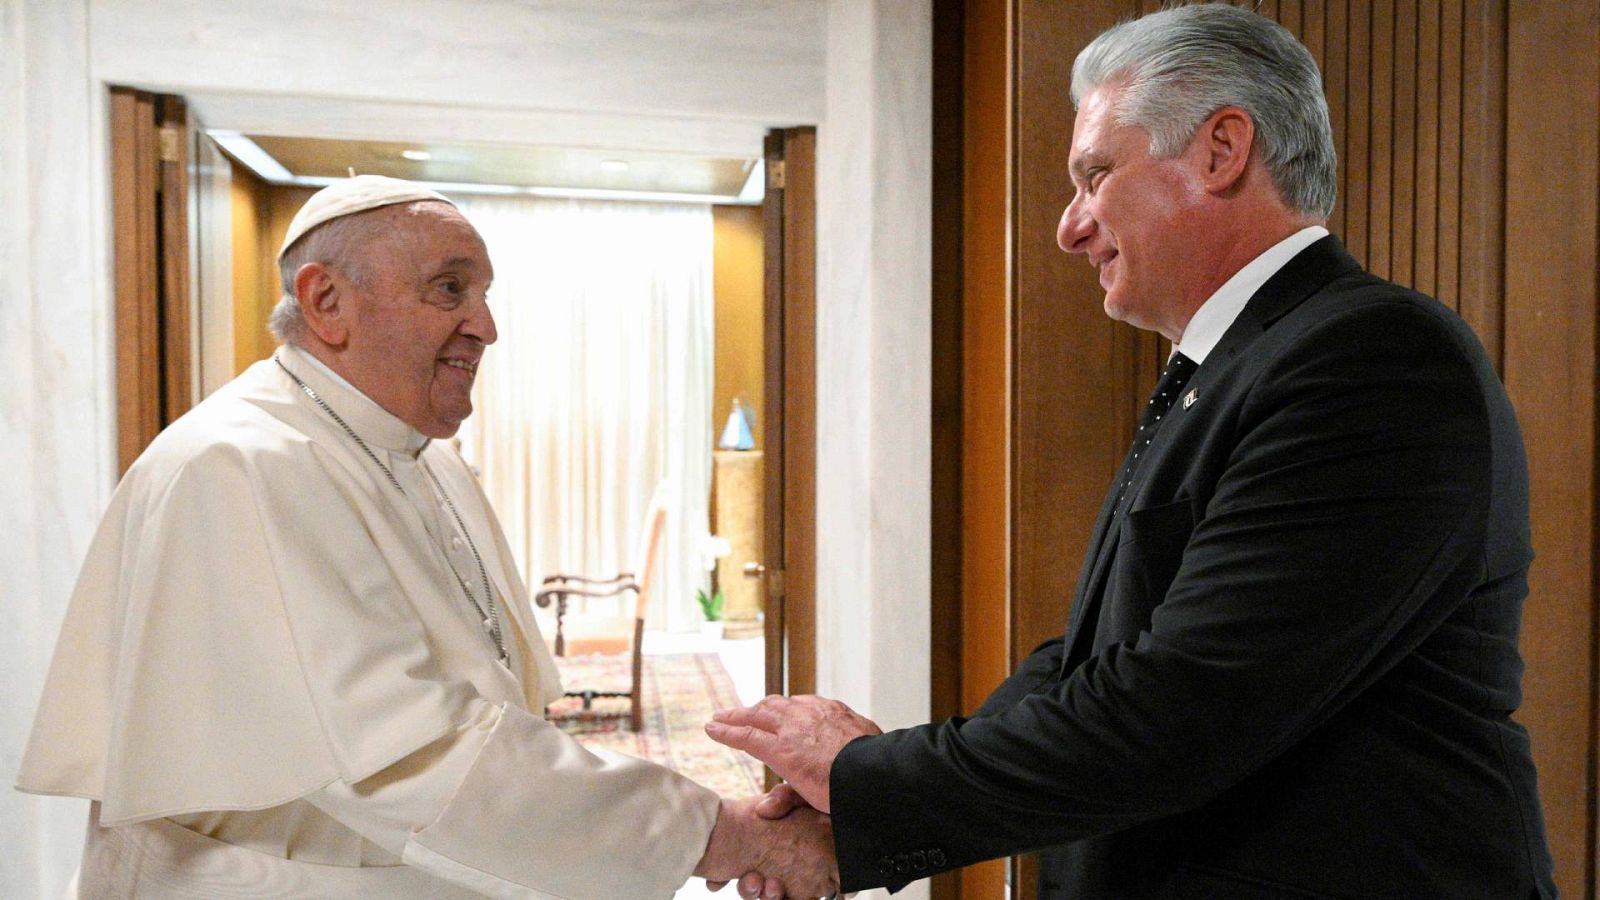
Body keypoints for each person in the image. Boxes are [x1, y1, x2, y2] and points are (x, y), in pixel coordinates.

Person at [707, 6, 1557, 898]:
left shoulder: (1370, 358)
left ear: (1221, 150)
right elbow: (1093, 657)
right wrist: (870, 799)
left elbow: (1186, 705)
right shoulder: (1247, 360)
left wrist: (869, 783)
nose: (1070, 227)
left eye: (1094, 175)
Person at [17, 175, 838, 899]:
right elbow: (407, 752)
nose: (485, 326)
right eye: (449, 290)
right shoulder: (238, 465)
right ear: (326, 301)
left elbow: (491, 708)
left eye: (483, 294)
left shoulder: (424, 456)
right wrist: (729, 835)